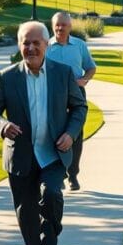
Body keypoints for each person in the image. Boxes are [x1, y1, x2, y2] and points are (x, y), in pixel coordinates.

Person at [0, 20, 87, 245]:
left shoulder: (63, 73)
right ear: (19, 45)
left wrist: (70, 133)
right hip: (20, 155)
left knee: (53, 194)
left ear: (46, 45)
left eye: (36, 43)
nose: (31, 48)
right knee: (26, 209)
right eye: (26, 43)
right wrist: (3, 125)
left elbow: (79, 108)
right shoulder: (7, 77)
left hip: (53, 153)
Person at [45, 12, 96, 191]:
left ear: (70, 27)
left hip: (76, 94)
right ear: (53, 26)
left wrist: (84, 80)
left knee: (75, 135)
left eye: (64, 25)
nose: (60, 28)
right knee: (54, 134)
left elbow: (91, 67)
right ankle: (59, 174)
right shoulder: (46, 46)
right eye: (57, 25)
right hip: (52, 96)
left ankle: (73, 174)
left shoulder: (79, 45)